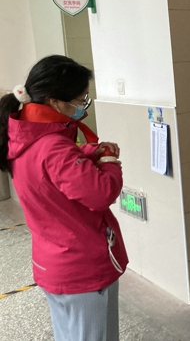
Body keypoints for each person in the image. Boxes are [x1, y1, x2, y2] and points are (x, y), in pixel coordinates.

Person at [0, 55, 127, 341]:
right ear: (55, 102)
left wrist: (84, 154)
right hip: (82, 269)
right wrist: (109, 162)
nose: (83, 106)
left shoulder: (25, 137)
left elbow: (51, 173)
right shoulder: (54, 146)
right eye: (81, 99)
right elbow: (101, 193)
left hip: (54, 262)